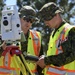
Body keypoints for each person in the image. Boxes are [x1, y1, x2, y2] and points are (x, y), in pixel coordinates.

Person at [36, 2, 75, 75]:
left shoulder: (70, 31)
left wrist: (46, 60)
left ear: (57, 14)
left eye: (47, 18)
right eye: (44, 19)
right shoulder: (54, 33)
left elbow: (71, 55)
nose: (45, 22)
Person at [19, 5, 43, 75]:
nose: (28, 23)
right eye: (26, 19)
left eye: (31, 20)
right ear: (18, 18)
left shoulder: (37, 36)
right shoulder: (7, 35)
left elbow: (40, 59)